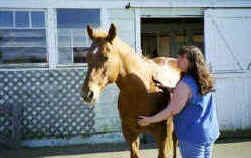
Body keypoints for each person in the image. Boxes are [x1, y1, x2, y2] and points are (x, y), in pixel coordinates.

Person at [137, 46, 220, 158]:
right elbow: (192, 96)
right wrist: (169, 89)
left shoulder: (185, 84)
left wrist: (149, 120)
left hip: (192, 137)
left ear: (191, 61)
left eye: (182, 57)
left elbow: (172, 110)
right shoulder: (204, 79)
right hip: (209, 132)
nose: (177, 59)